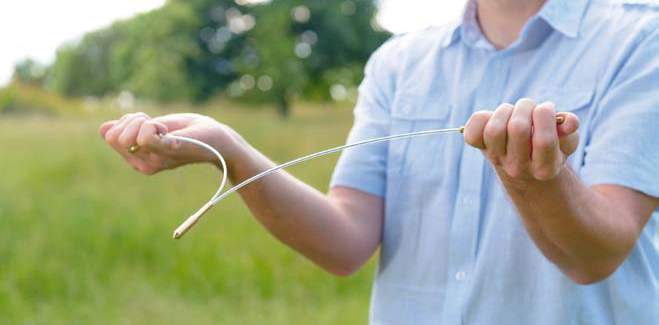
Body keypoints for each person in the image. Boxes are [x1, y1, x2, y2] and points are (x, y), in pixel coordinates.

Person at [100, 0, 659, 323]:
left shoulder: (643, 37)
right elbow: (344, 242)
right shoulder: (399, 62)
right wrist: (230, 150)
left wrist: (536, 181)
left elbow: (597, 254)